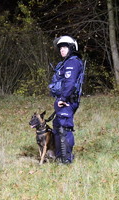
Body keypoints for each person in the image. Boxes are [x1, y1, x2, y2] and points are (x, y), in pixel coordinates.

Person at [49, 35, 84, 164]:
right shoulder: (66, 62)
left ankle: (65, 159)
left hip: (67, 100)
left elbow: (70, 82)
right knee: (58, 126)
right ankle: (59, 156)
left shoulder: (73, 62)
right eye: (60, 48)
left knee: (64, 128)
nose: (61, 50)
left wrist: (63, 98)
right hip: (63, 100)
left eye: (64, 47)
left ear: (71, 48)